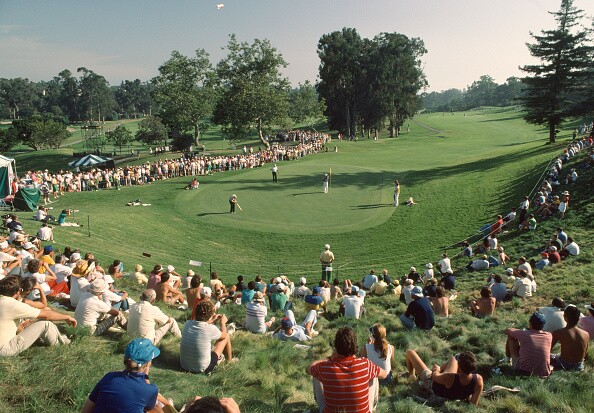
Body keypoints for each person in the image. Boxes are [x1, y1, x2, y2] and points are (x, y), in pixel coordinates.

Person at [306, 327, 387, 413]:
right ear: (355, 345)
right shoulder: (365, 364)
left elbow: (308, 369)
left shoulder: (324, 367)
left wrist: (329, 358)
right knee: (374, 374)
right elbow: (384, 374)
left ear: (336, 347)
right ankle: (372, 407)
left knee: (315, 374)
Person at [81, 338, 172, 413]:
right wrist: (146, 377)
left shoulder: (108, 378)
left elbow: (86, 410)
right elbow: (149, 407)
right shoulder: (150, 389)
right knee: (157, 409)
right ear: (148, 363)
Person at [0, 276, 75, 356]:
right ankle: (61, 346)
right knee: (46, 324)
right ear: (18, 292)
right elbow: (47, 315)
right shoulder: (14, 305)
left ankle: (61, 338)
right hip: (4, 350)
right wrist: (67, 317)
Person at [404, 350, 483, 406]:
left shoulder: (450, 377)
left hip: (434, 385)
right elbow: (473, 404)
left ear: (460, 367)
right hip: (453, 390)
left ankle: (411, 375)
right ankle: (446, 366)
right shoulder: (478, 380)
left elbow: (434, 377)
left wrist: (436, 369)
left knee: (410, 352)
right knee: (454, 359)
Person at [180, 300, 237, 374]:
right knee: (227, 336)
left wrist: (211, 319)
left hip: (184, 366)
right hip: (203, 369)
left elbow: (200, 322)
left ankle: (224, 360)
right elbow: (224, 335)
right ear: (210, 316)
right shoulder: (209, 328)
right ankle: (229, 361)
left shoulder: (187, 324)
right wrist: (223, 323)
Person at [504, 312, 552, 377]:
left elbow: (508, 331)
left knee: (511, 337)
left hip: (523, 372)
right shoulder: (549, 335)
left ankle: (507, 359)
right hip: (543, 373)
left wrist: (520, 331)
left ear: (530, 323)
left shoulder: (524, 334)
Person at [550, 305, 589, 371]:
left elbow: (548, 349)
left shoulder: (559, 332)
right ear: (578, 318)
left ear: (565, 318)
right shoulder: (586, 334)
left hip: (564, 364)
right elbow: (584, 353)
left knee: (551, 356)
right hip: (579, 366)